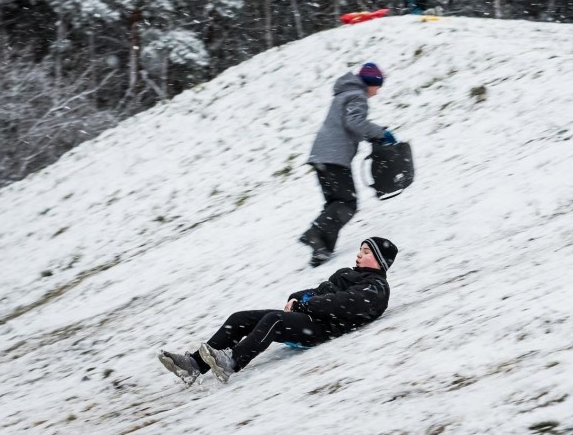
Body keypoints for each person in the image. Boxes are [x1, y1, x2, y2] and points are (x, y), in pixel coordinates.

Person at [158, 237, 398, 385]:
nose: (359, 254)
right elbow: (319, 291)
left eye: (366, 252)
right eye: (360, 249)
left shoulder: (375, 288)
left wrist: (305, 304)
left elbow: (340, 304)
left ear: (380, 261)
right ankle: (195, 365)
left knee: (274, 320)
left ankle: (231, 362)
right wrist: (297, 298)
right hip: (311, 317)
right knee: (241, 318)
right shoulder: (348, 274)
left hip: (325, 328)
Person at [300, 62, 396, 266]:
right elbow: (354, 122)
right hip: (334, 157)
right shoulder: (357, 95)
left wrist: (371, 135)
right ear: (371, 83)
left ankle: (321, 251)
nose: (376, 93)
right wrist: (380, 132)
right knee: (347, 203)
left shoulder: (344, 93)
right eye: (377, 87)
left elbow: (347, 126)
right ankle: (314, 233)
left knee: (335, 203)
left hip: (321, 155)